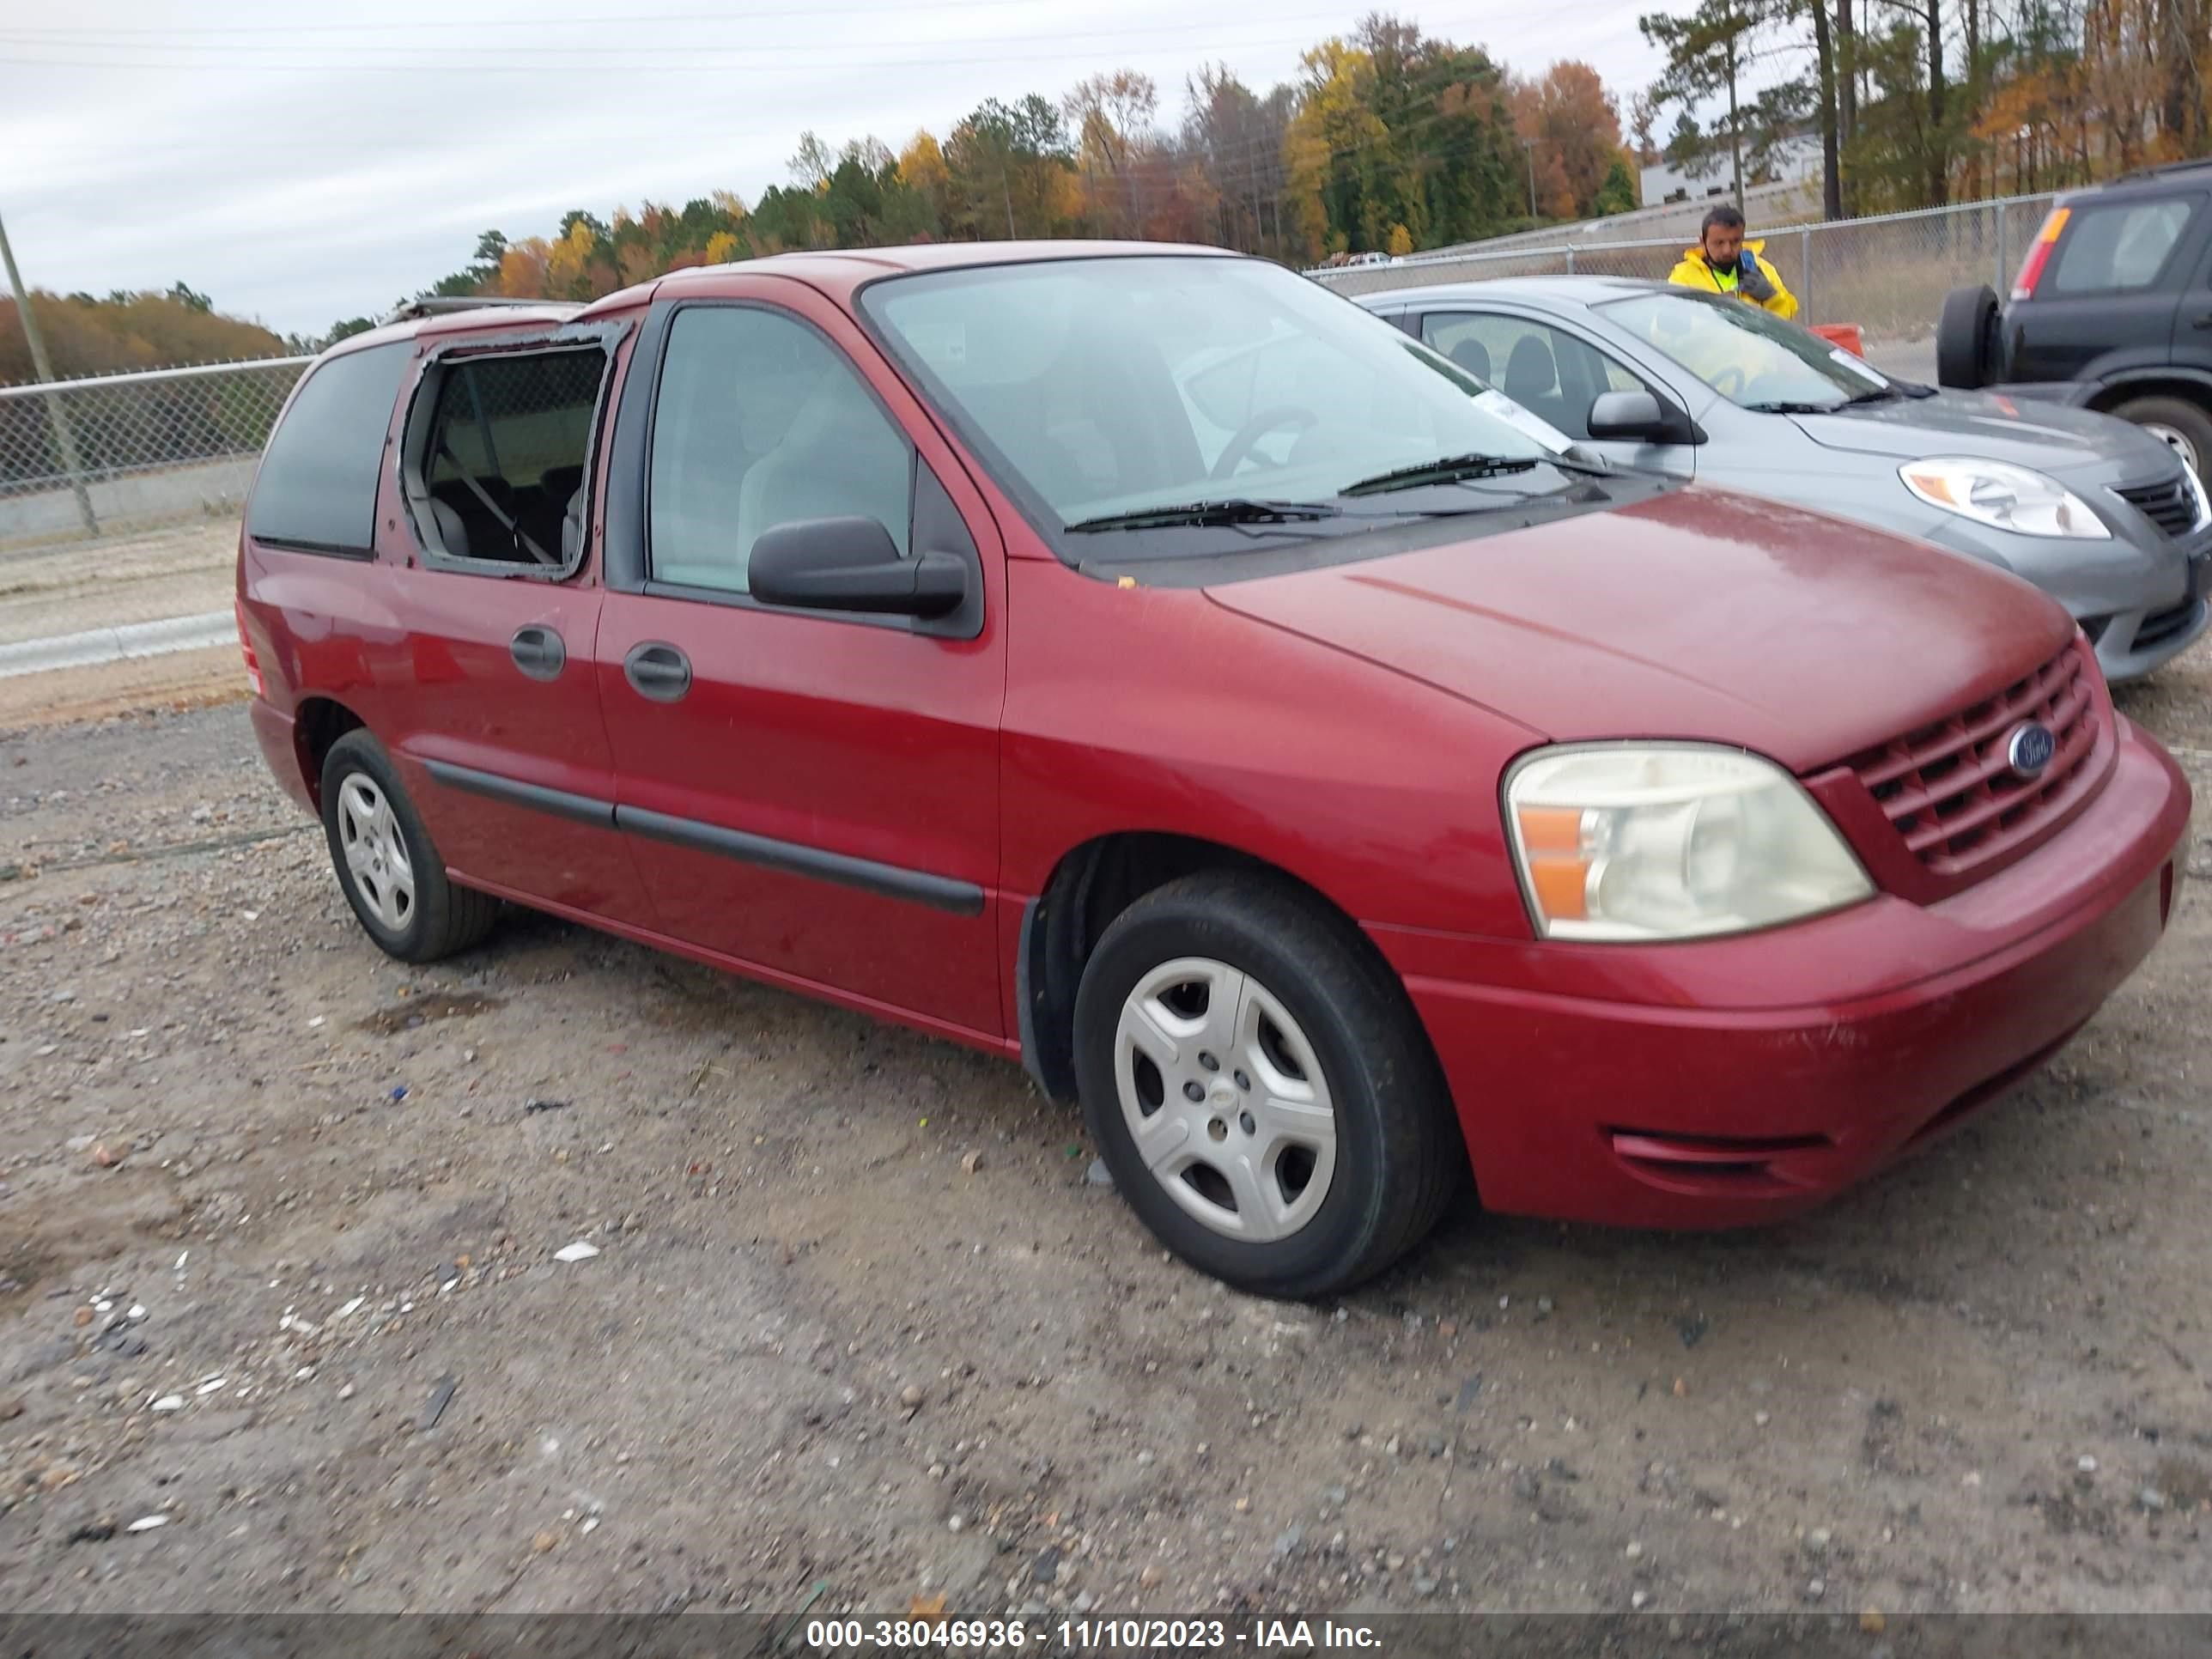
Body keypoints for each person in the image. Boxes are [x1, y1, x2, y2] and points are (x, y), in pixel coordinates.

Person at [1668, 204, 1799, 319]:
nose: (1727, 250)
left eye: (1735, 242)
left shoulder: (1761, 269)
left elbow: (1786, 322)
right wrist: (1712, 312)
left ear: (1742, 239)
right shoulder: (1683, 277)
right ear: (1703, 243)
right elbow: (1667, 333)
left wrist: (1772, 298)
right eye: (1719, 243)